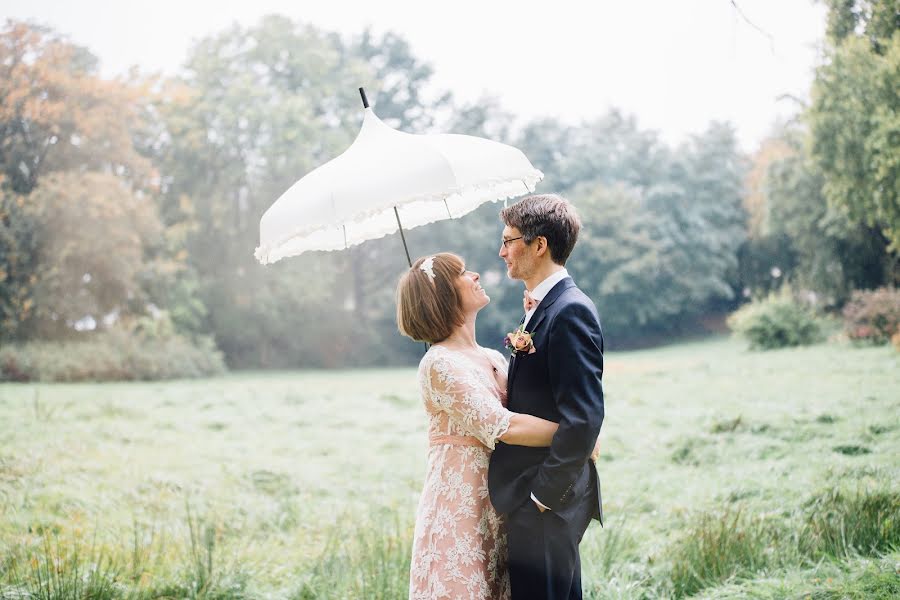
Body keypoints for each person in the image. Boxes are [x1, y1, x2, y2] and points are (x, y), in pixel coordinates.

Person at [396, 252, 599, 600]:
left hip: (500, 506)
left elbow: (529, 403)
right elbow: (503, 425)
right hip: (461, 508)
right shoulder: (438, 363)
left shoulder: (492, 357)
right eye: (463, 273)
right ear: (443, 295)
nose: (475, 275)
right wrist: (577, 435)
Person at [489, 194, 605, 600]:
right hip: (531, 498)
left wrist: (541, 497)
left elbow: (585, 417)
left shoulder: (569, 310)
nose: (502, 251)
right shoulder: (541, 308)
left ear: (539, 245)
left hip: (547, 502)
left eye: (509, 240)